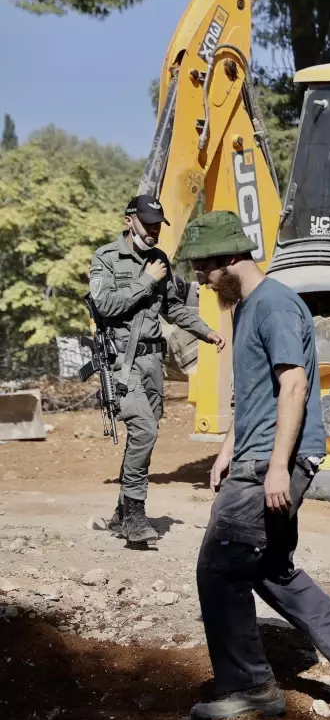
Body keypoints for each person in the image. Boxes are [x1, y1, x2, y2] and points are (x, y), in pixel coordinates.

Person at [176, 210, 330, 720]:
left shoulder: (275, 305)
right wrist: (226, 448)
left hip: (270, 462)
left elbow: (295, 385)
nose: (202, 280)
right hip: (256, 452)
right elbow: (253, 393)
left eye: (205, 269)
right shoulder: (249, 307)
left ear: (232, 258)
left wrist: (277, 466)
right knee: (267, 567)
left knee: (219, 569)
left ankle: (252, 687)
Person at [88, 194, 224, 544]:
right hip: (122, 363)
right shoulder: (106, 257)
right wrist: (147, 280)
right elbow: (104, 305)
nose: (153, 230)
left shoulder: (160, 260)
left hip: (153, 364)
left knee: (144, 436)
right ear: (128, 220)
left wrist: (205, 330)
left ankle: (120, 514)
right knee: (144, 431)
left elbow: (173, 308)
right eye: (147, 223)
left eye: (156, 224)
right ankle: (134, 516)